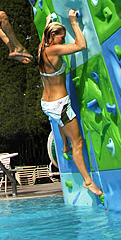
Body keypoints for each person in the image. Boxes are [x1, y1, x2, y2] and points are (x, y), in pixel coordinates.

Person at [38, 11, 102, 197]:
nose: (62, 41)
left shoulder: (42, 48)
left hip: (47, 103)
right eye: (61, 37)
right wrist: (73, 21)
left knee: (59, 121)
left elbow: (45, 36)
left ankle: (64, 145)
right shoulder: (53, 50)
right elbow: (81, 45)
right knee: (79, 143)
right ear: (53, 36)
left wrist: (48, 22)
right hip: (60, 105)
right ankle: (88, 181)